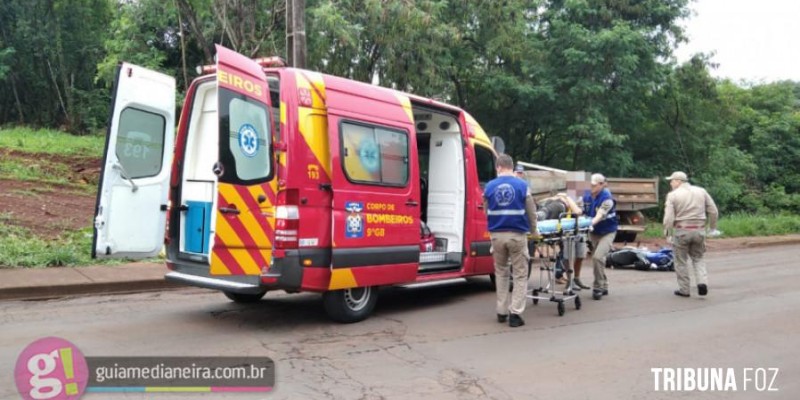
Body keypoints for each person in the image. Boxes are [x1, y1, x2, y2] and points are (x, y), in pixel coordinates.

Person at [483, 154, 538, 327]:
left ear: (498, 167)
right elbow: (531, 212)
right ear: (512, 168)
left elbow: (486, 211)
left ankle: (501, 311)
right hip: (516, 235)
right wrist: (534, 231)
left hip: (496, 236)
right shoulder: (522, 185)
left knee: (501, 272)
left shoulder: (489, 186)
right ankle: (515, 314)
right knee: (520, 274)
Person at [662, 171, 719, 297]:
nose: (670, 183)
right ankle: (702, 283)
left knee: (680, 261)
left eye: (672, 180)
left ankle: (684, 290)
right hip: (699, 230)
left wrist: (667, 233)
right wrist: (712, 228)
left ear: (678, 181)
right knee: (698, 258)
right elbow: (714, 211)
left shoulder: (673, 195)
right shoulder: (701, 191)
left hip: (681, 231)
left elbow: (668, 218)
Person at [536, 193, 590, 289]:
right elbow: (578, 211)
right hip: (564, 231)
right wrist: (567, 197)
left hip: (569, 229)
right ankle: (570, 280)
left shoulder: (554, 203)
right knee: (568, 255)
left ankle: (573, 279)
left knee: (576, 254)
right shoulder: (558, 205)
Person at [585, 173, 617, 300]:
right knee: (600, 260)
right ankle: (604, 285)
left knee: (597, 258)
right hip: (594, 232)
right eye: (590, 184)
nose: (591, 187)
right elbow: (580, 209)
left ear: (601, 185)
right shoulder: (586, 195)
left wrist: (589, 223)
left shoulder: (607, 198)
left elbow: (600, 214)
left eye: (594, 185)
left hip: (608, 232)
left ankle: (598, 287)